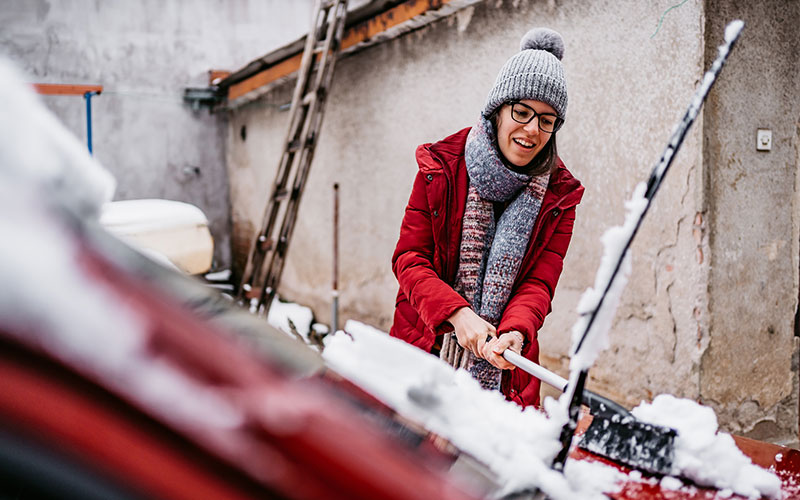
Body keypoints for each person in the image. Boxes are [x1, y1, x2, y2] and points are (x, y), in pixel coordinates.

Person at [389, 28, 584, 408]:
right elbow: (409, 260)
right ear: (497, 109)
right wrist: (458, 315)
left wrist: (515, 332)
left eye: (547, 120)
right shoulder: (441, 166)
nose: (532, 130)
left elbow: (538, 283)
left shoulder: (560, 196)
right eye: (522, 112)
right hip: (425, 349)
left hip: (505, 372)